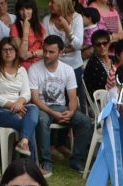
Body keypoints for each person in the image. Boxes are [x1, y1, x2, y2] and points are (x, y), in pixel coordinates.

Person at [28, 35, 93, 177]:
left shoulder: (67, 69)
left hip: (62, 108)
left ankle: (76, 160)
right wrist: (53, 113)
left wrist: (71, 112)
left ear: (61, 52)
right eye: (45, 51)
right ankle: (46, 162)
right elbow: (35, 99)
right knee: (42, 120)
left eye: (51, 52)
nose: (46, 55)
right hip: (42, 108)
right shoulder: (34, 69)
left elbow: (73, 97)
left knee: (85, 122)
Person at [0, 38, 39, 158]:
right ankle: (29, 165)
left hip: (18, 107)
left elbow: (26, 94)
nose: (8, 53)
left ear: (16, 51)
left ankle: (23, 142)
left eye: (11, 49)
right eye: (4, 50)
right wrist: (12, 106)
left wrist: (20, 102)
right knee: (27, 124)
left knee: (34, 108)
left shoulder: (22, 70)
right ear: (0, 52)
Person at [43, 0, 86, 103]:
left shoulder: (77, 18)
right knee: (56, 101)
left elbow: (78, 45)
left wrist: (67, 27)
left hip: (74, 67)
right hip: (54, 68)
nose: (49, 5)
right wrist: (68, 49)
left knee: (76, 100)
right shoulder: (46, 20)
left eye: (52, 2)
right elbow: (46, 45)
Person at [11, 0, 46, 70]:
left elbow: (46, 50)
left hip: (41, 66)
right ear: (18, 12)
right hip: (23, 68)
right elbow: (23, 55)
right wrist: (25, 31)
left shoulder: (40, 26)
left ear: (33, 10)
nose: (25, 12)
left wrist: (31, 54)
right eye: (21, 9)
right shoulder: (14, 27)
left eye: (28, 8)